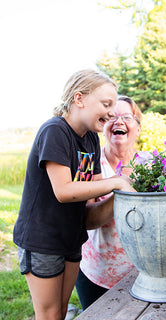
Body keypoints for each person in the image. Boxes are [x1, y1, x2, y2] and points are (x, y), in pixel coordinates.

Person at [13, 69, 135, 320]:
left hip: (71, 236)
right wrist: (117, 182)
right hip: (42, 241)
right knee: (48, 315)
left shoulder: (90, 139)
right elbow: (64, 190)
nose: (112, 112)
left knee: (60, 311)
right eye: (106, 104)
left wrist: (128, 181)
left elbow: (90, 182)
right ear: (79, 99)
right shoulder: (55, 131)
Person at [75, 95, 142, 310]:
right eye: (112, 116)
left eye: (127, 117)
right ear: (103, 126)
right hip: (96, 273)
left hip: (142, 274)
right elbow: (85, 219)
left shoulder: (152, 166)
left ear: (138, 129)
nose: (119, 121)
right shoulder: (87, 163)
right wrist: (121, 189)